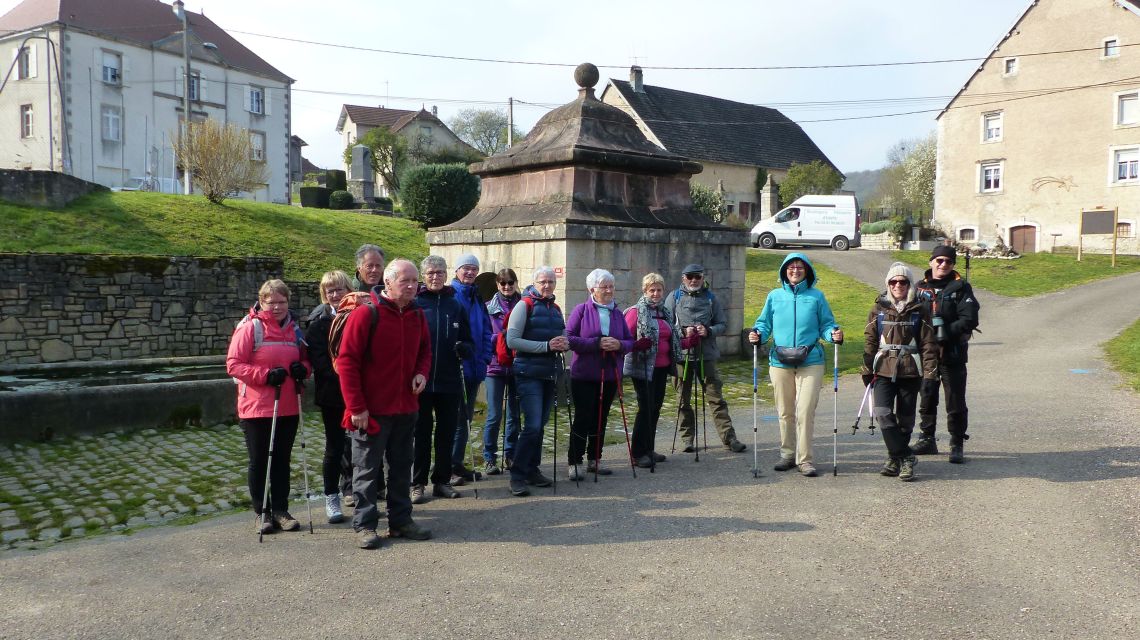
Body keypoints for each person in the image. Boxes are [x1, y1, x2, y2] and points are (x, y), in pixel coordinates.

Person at [336, 259, 432, 550]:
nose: (413, 286)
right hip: (372, 410)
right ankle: (365, 525)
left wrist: (421, 372)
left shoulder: (417, 315)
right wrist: (356, 408)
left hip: (406, 406)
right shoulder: (367, 315)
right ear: (388, 283)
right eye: (406, 281)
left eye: (415, 281)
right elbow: (347, 362)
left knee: (402, 467)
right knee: (366, 470)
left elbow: (425, 351)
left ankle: (401, 520)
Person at [226, 279, 310, 535]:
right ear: (262, 302)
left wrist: (302, 370)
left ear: (288, 302)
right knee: (260, 460)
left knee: (282, 461)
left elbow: (307, 362)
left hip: (287, 406)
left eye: (281, 302)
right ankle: (261, 512)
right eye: (271, 302)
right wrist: (264, 375)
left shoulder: (295, 330)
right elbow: (234, 364)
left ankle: (281, 510)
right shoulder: (250, 328)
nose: (276, 307)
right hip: (256, 407)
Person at [749, 254, 843, 477]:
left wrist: (833, 334)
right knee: (785, 411)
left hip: (811, 360)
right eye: (791, 267)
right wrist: (758, 334)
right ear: (784, 271)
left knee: (805, 411)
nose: (795, 270)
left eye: (800, 267)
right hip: (779, 361)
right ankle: (788, 454)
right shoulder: (774, 296)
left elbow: (827, 324)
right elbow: (764, 323)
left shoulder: (816, 297)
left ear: (807, 271)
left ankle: (805, 460)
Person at [861, 263, 939, 481]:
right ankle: (905, 456)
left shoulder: (920, 309)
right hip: (883, 369)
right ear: (888, 284)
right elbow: (870, 340)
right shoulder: (878, 309)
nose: (897, 285)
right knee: (883, 413)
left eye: (902, 282)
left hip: (910, 370)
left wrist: (930, 374)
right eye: (893, 282)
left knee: (905, 420)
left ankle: (895, 459)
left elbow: (928, 344)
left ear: (909, 285)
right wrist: (866, 368)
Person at [664, 264, 747, 454]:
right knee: (682, 400)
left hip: (706, 355)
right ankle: (687, 439)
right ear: (683, 278)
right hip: (681, 356)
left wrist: (708, 331)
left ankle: (729, 438)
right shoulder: (674, 297)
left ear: (703, 278)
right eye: (690, 277)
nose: (694, 280)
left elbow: (722, 324)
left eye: (698, 277)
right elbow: (666, 325)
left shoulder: (711, 298)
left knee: (716, 398)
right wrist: (683, 332)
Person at [412, 256, 475, 504]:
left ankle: (442, 480)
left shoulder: (455, 305)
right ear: (423, 276)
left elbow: (469, 339)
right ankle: (417, 483)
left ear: (446, 274)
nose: (435, 277)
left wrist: (465, 348)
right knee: (421, 433)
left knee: (446, 433)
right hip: (422, 381)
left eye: (439, 272)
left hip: (450, 380)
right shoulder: (416, 304)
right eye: (430, 273)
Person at [911, 245, 981, 464]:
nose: (943, 265)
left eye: (948, 262)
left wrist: (946, 332)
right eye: (939, 260)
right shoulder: (919, 288)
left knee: (955, 400)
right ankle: (927, 438)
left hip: (953, 352)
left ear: (953, 265)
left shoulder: (961, 288)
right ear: (931, 261)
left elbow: (970, 319)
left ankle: (956, 442)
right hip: (926, 354)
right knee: (927, 396)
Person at [624, 273, 699, 468]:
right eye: (652, 290)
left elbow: (672, 340)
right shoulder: (636, 312)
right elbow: (624, 339)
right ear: (645, 291)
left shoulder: (664, 313)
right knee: (646, 408)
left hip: (662, 367)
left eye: (659, 290)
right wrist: (636, 345)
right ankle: (638, 453)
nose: (656, 294)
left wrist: (688, 342)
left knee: (655, 408)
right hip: (642, 367)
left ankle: (649, 448)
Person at [504, 266, 568, 497]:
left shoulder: (556, 308)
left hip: (549, 373)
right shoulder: (524, 305)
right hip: (527, 373)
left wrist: (564, 343)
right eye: (543, 281)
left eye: (551, 281)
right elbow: (512, 341)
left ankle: (532, 469)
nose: (547, 285)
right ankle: (517, 475)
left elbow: (562, 335)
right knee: (531, 425)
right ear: (534, 283)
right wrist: (546, 346)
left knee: (539, 426)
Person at [566, 269, 635, 481]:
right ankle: (574, 461)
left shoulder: (617, 313)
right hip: (584, 374)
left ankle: (595, 459)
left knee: (600, 418)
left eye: (611, 286)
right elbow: (569, 338)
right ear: (592, 289)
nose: (608, 290)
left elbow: (629, 341)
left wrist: (618, 344)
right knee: (583, 417)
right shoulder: (581, 310)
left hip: (610, 374)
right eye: (603, 286)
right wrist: (596, 343)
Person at [304, 270, 352, 524]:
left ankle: (365, 494)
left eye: (339, 289)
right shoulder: (319, 323)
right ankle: (332, 496)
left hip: (360, 393)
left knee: (364, 447)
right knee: (334, 447)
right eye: (330, 291)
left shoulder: (361, 317)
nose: (335, 295)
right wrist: (349, 376)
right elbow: (321, 363)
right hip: (333, 394)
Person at [449, 253, 493, 485]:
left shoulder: (476, 296)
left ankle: (457, 462)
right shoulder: (452, 295)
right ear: (456, 270)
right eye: (465, 268)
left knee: (466, 419)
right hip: (457, 367)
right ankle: (449, 466)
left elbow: (486, 329)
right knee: (456, 420)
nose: (470, 272)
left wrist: (486, 356)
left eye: (474, 269)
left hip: (475, 365)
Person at [482, 268, 522, 475]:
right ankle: (489, 457)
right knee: (494, 414)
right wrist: (502, 337)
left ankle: (510, 454)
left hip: (517, 366)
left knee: (514, 415)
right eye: (503, 283)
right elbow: (482, 336)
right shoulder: (488, 308)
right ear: (497, 285)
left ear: (515, 283)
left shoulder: (523, 306)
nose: (507, 287)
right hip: (494, 366)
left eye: (510, 283)